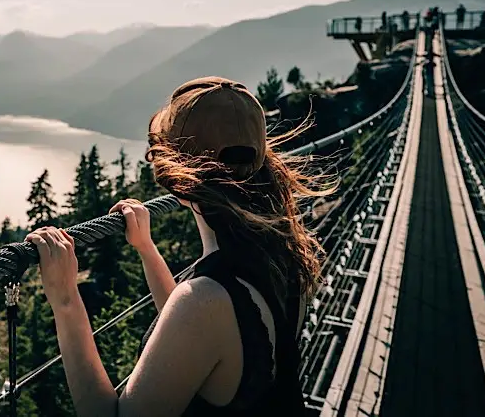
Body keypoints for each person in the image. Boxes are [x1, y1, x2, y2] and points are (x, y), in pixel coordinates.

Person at [26, 77, 330, 417]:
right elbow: (199, 337)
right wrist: (147, 249)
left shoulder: (206, 300)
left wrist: (65, 300)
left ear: (179, 180)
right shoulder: (282, 258)